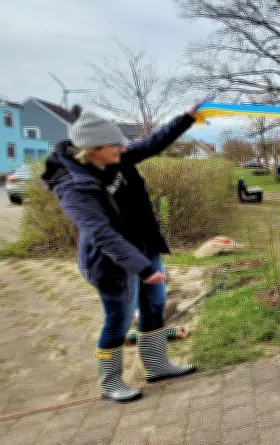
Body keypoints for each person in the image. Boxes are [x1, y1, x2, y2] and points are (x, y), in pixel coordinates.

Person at [41, 105, 200, 403]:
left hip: (144, 248)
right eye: (114, 144)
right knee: (119, 320)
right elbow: (102, 235)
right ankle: (110, 381)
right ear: (91, 149)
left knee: (155, 307)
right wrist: (143, 269)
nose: (122, 148)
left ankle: (157, 366)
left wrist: (186, 118)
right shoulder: (71, 186)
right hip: (113, 262)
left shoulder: (117, 158)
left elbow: (153, 143)